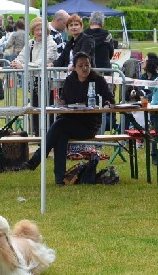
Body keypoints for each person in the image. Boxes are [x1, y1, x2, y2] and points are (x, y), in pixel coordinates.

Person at [18, 52, 114, 184]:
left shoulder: (98, 80)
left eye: (87, 65)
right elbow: (64, 100)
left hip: (89, 125)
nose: (85, 68)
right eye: (80, 66)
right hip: (70, 121)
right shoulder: (70, 80)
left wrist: (108, 103)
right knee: (61, 136)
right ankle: (60, 178)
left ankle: (36, 159)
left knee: (59, 125)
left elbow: (110, 98)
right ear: (74, 67)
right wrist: (61, 102)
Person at [10, 17, 57, 136]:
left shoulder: (51, 44)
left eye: (42, 29)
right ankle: (37, 136)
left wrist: (24, 66)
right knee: (35, 108)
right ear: (33, 31)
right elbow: (22, 56)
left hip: (48, 81)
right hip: (34, 80)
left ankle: (49, 137)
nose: (40, 32)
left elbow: (43, 62)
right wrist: (15, 63)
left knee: (48, 109)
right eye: (37, 29)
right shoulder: (30, 43)